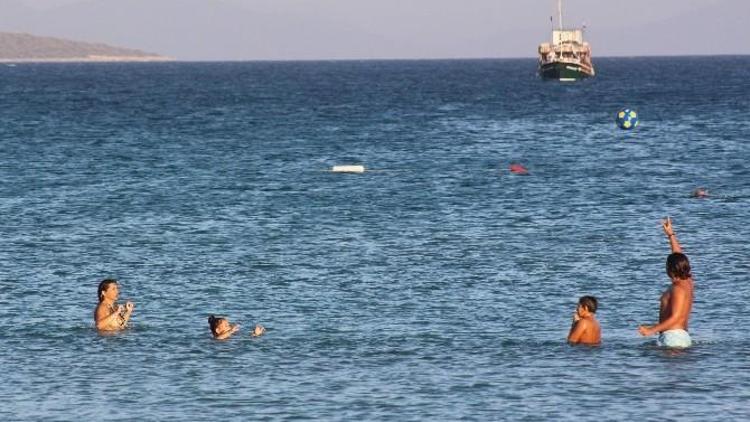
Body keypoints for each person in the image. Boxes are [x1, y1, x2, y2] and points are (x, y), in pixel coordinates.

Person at [638, 218, 694, 348]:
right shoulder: (688, 283)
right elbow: (678, 255)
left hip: (673, 338)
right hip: (680, 337)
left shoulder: (678, 289)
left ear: (669, 269)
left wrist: (651, 330)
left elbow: (676, 317)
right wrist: (670, 235)